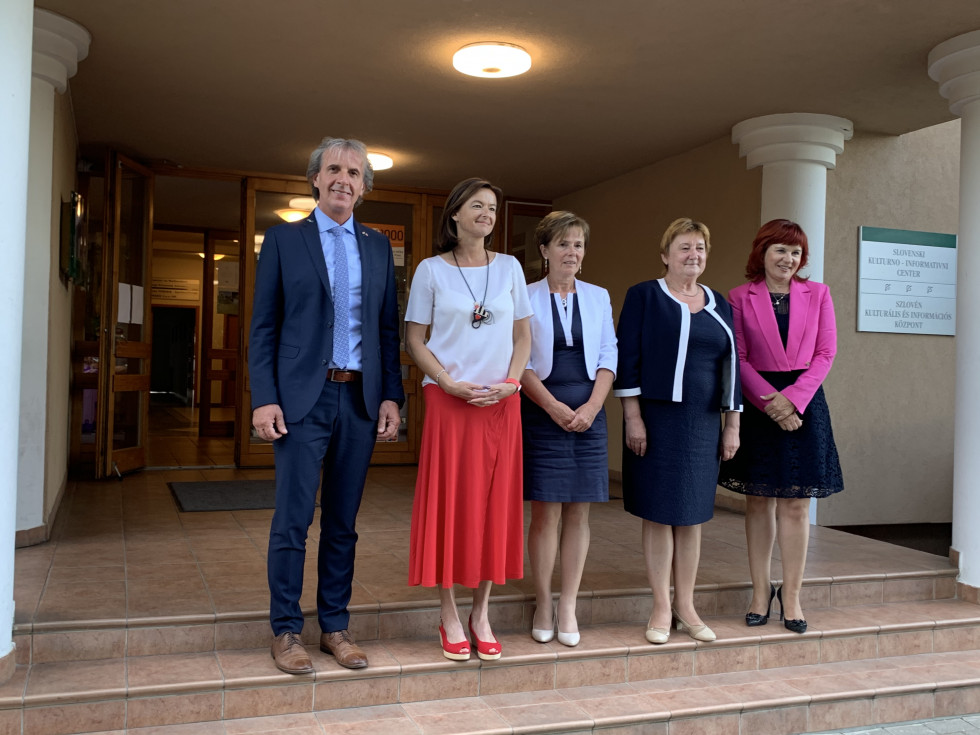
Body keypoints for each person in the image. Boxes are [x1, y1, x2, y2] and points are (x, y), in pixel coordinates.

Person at [249, 137, 405, 674]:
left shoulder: (377, 245)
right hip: (299, 400)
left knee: (343, 521)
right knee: (293, 519)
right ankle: (287, 630)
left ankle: (335, 627)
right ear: (315, 178)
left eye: (354, 172)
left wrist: (391, 395)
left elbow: (387, 330)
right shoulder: (284, 240)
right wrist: (264, 398)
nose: (344, 179)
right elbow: (263, 327)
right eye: (334, 169)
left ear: (364, 186)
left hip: (359, 398)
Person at [405, 177, 532, 661]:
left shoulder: (511, 269)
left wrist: (513, 383)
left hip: (501, 402)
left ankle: (481, 612)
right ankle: (449, 613)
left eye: (493, 208)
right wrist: (447, 380)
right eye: (476, 206)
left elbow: (523, 338)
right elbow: (415, 338)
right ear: (455, 214)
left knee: (492, 507)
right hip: (449, 400)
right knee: (450, 504)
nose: (487, 214)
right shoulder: (431, 271)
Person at [615, 217, 741, 645]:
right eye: (684, 248)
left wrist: (732, 425)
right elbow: (627, 358)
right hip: (656, 422)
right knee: (659, 513)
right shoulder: (644, 296)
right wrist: (633, 417)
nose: (693, 256)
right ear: (666, 254)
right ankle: (660, 606)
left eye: (700, 249)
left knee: (691, 516)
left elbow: (732, 366)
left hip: (704, 424)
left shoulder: (718, 302)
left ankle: (686, 606)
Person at [719, 219, 843, 634]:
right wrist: (771, 403)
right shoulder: (739, 297)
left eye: (795, 252)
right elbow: (738, 357)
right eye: (780, 250)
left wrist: (792, 399)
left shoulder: (819, 294)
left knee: (795, 504)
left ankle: (791, 595)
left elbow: (826, 353)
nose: (788, 259)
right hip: (758, 404)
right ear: (762, 253)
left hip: (805, 402)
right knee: (758, 501)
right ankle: (759, 591)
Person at [522, 211, 617, 647]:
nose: (572, 253)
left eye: (578, 245)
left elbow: (607, 355)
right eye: (563, 244)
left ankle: (569, 604)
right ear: (544, 251)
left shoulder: (598, 296)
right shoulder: (524, 296)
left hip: (589, 412)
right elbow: (518, 361)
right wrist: (553, 406)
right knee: (545, 511)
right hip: (542, 408)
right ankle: (544, 601)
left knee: (580, 510)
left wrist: (594, 406)